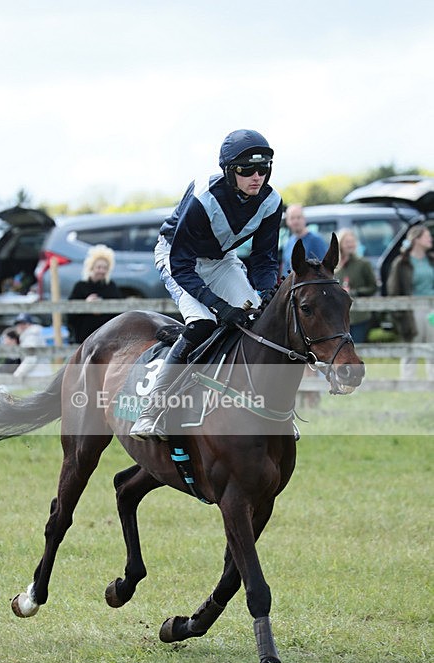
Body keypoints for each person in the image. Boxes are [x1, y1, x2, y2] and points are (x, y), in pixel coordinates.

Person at [130, 128, 283, 440]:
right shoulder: (204, 198)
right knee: (202, 324)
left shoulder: (272, 201)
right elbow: (182, 265)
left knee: (259, 320)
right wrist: (221, 307)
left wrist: (267, 293)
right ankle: (151, 410)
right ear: (229, 171)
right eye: (247, 170)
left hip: (221, 259)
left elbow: (265, 258)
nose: (257, 177)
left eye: (263, 169)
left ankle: (273, 411)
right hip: (178, 258)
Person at [386, 225, 434, 380]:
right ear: (417, 240)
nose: (430, 239)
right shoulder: (401, 263)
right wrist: (400, 315)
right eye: (427, 236)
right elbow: (393, 290)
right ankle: (407, 381)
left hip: (432, 307)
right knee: (411, 346)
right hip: (413, 309)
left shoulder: (431, 260)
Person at [67, 245, 122, 343]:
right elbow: (70, 314)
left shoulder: (111, 286)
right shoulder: (80, 286)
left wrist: (103, 307)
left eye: (105, 268)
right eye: (99, 267)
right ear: (91, 267)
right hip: (84, 335)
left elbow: (118, 313)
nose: (101, 271)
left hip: (106, 336)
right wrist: (86, 305)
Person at [335, 229, 377, 343]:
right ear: (340, 244)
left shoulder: (363, 264)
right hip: (339, 317)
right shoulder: (335, 267)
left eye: (352, 242)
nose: (350, 245)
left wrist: (355, 292)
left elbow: (373, 287)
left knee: (356, 347)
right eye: (347, 242)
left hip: (359, 316)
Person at [281, 205, 327, 273]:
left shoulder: (316, 241)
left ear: (304, 219)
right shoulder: (288, 244)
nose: (296, 221)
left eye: (298, 217)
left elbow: (324, 269)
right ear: (287, 221)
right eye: (292, 218)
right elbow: (285, 271)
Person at [12, 313, 52, 379]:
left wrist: (17, 374)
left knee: (2, 386)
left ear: (30, 324)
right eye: (18, 324)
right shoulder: (29, 336)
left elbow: (30, 359)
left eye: (24, 323)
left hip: (38, 375)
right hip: (37, 374)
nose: (20, 326)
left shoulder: (31, 337)